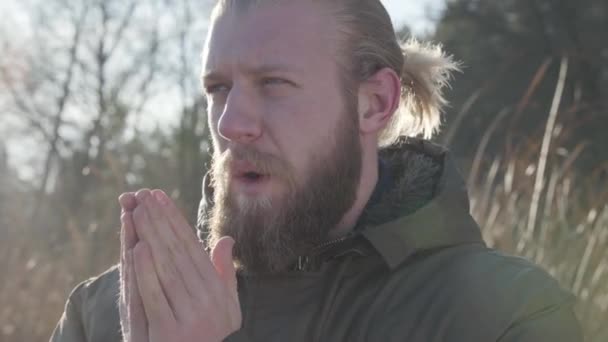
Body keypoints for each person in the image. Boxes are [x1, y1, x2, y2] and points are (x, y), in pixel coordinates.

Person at [51, 0, 583, 341]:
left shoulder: (502, 314)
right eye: (218, 89)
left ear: (374, 103)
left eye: (274, 84)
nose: (231, 123)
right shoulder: (108, 314)